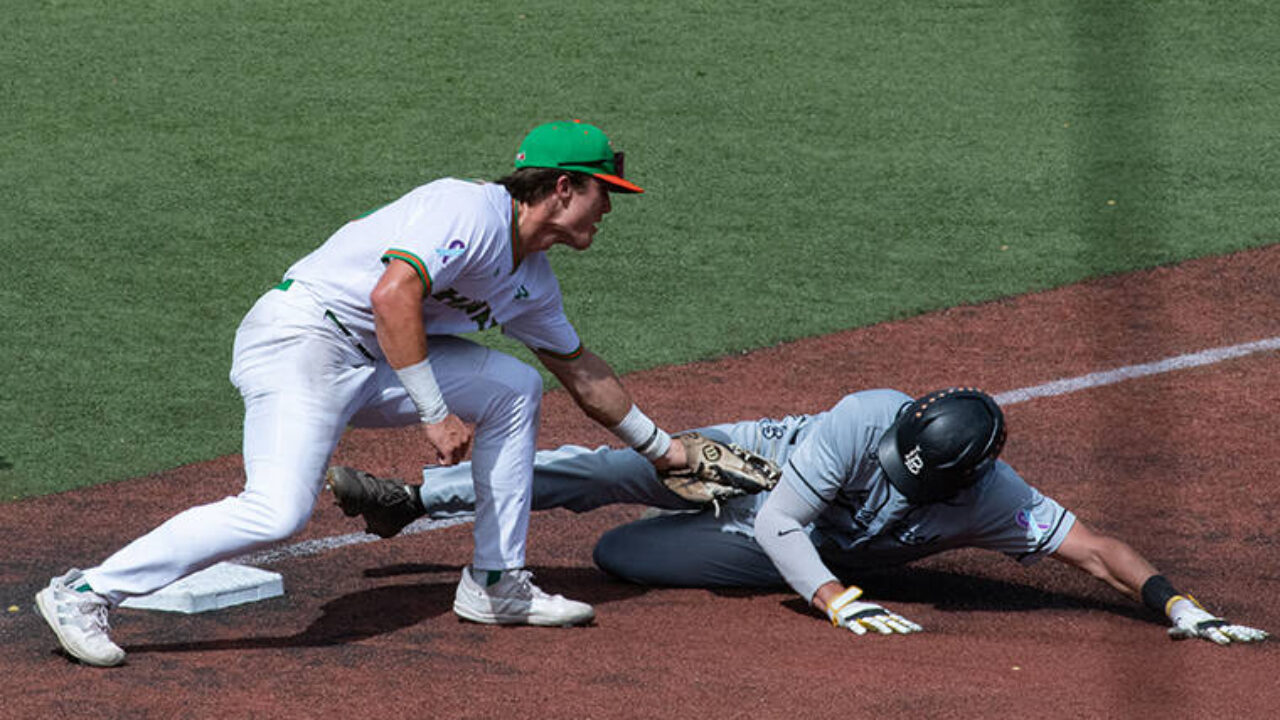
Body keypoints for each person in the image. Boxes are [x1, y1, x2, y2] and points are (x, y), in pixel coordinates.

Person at [36, 120, 688, 668]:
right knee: (276, 513)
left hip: (372, 360)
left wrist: (664, 452)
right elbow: (392, 293)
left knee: (516, 387)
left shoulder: (533, 280)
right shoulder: (468, 208)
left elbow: (580, 370)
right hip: (303, 342)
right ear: (563, 186)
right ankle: (86, 592)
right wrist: (434, 413)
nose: (610, 208)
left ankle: (496, 583)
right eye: (605, 192)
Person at [328, 387, 1268, 645]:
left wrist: (1176, 603)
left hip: (784, 539)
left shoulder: (994, 498)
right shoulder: (868, 420)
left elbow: (1094, 550)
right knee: (607, 469)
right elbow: (783, 520)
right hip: (761, 475)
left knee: (620, 555)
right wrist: (835, 600)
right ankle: (414, 501)